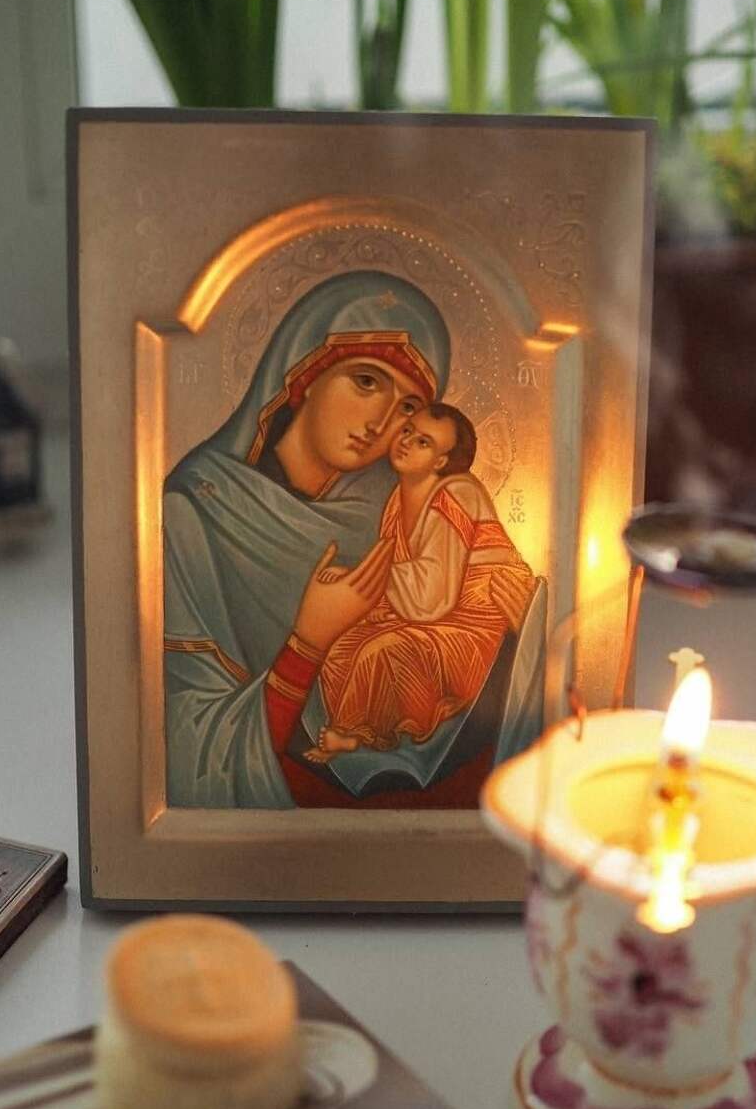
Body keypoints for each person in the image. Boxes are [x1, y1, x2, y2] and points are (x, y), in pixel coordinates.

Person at [164, 270, 544, 808]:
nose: (382, 422)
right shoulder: (196, 507)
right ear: (304, 371)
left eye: (408, 408)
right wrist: (307, 644)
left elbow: (467, 633)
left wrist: (527, 635)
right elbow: (189, 746)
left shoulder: (404, 500)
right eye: (366, 381)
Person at [307, 403, 535, 763]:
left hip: (472, 630)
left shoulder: (455, 494)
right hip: (428, 618)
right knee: (341, 647)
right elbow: (407, 587)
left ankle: (354, 735)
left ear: (441, 461)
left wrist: (360, 576)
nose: (407, 442)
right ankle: (362, 736)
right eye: (408, 430)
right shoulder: (398, 501)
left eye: (423, 442)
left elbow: (432, 596)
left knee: (381, 651)